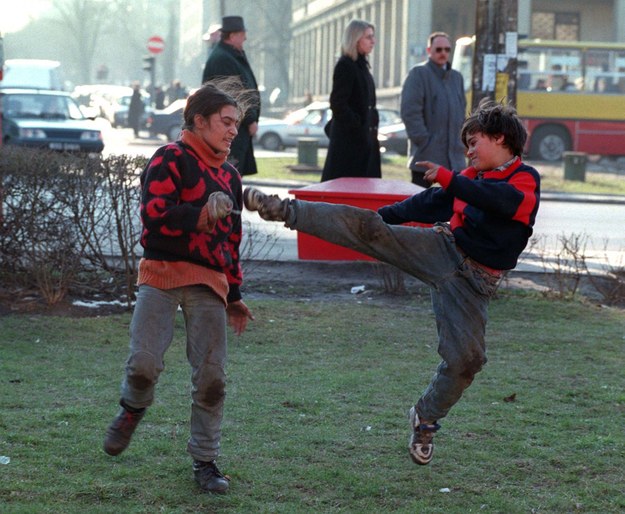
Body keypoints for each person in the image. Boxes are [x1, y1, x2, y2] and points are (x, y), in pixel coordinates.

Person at [242, 99, 540, 466]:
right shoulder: (469, 180)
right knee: (372, 227)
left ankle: (425, 417)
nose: (468, 151)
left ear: (500, 139)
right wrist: (373, 225)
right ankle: (284, 209)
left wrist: (449, 178)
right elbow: (423, 205)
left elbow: (498, 202)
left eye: (474, 142)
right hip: (444, 250)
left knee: (467, 361)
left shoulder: (523, 180)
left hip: (474, 285)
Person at [102, 80, 255, 495]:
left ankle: (205, 462)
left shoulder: (231, 177)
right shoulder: (170, 158)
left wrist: (236, 296)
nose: (231, 131)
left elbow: (233, 243)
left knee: (212, 379)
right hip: (162, 274)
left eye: (236, 125)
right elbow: (155, 216)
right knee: (143, 366)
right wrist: (202, 215)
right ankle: (132, 410)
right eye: (225, 122)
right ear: (199, 120)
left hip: (209, 282)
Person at [400, 31, 466, 188]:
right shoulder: (418, 74)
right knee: (420, 203)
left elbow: (462, 111)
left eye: (447, 49)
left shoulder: (456, 78)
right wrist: (424, 141)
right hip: (426, 156)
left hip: (454, 158)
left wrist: (462, 142)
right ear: (429, 50)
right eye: (438, 49)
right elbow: (410, 112)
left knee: (454, 205)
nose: (443, 53)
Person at [321, 19, 381, 182]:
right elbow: (338, 103)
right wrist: (358, 125)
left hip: (364, 143)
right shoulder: (346, 65)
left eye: (372, 37)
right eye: (368, 37)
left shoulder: (362, 66)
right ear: (355, 39)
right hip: (349, 146)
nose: (373, 41)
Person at [202, 16, 261, 177]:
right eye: (242, 34)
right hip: (230, 128)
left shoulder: (229, 56)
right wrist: (250, 120)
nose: (245, 38)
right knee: (227, 177)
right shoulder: (224, 58)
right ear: (233, 35)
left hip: (234, 126)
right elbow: (234, 94)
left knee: (232, 176)